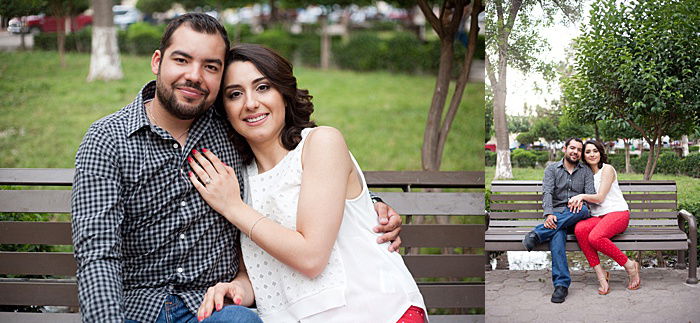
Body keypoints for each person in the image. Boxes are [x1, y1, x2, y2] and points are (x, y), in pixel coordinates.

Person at [71, 14, 402, 323]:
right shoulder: (108, 140)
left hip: (210, 307)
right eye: (182, 60)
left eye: (211, 67)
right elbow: (98, 254)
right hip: (139, 308)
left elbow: (290, 164)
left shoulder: (231, 129)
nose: (194, 76)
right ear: (157, 61)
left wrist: (367, 202)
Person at [186, 44, 427, 322]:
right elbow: (260, 268)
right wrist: (237, 288)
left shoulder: (321, 143)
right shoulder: (238, 178)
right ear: (224, 109)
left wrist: (232, 207)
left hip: (379, 312)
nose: (250, 103)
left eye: (263, 87)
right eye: (235, 94)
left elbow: (311, 258)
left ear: (284, 93)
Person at [521, 137, 595, 303]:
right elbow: (547, 192)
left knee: (582, 209)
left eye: (579, 150)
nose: (575, 152)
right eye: (572, 148)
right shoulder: (552, 169)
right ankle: (561, 285)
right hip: (556, 218)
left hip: (577, 217)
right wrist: (548, 214)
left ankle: (538, 234)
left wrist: (581, 199)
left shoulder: (585, 171)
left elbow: (590, 197)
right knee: (557, 233)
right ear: (565, 149)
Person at [569, 140, 641, 295]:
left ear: (600, 153)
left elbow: (600, 197)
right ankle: (601, 275)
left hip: (618, 213)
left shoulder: (607, 169)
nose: (592, 154)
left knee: (595, 237)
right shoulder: (585, 174)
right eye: (587, 152)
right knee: (580, 229)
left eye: (595, 151)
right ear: (583, 155)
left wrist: (581, 196)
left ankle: (629, 265)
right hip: (599, 217)